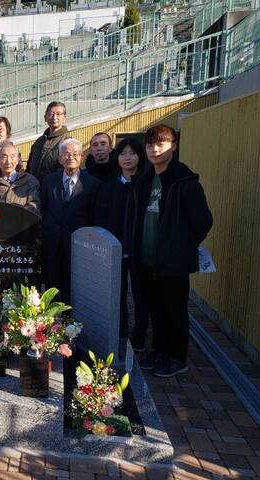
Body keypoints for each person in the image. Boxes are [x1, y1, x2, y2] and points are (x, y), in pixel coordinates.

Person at [127, 124, 212, 378]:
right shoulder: (144, 180)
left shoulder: (184, 183)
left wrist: (181, 246)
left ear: (173, 146)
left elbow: (203, 223)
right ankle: (160, 352)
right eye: (150, 145)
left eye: (160, 144)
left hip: (172, 261)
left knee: (174, 310)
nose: (154, 150)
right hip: (146, 259)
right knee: (156, 309)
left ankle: (177, 357)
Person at [95, 137, 148, 349]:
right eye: (123, 154)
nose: (127, 158)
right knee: (117, 291)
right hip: (115, 247)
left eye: (132, 153)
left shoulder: (146, 185)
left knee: (140, 292)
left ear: (139, 156)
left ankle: (140, 335)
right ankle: (121, 329)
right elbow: (100, 216)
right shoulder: (109, 186)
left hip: (140, 249)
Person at [41, 138, 101, 303]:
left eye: (75, 154)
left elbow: (94, 216)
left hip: (79, 245)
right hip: (52, 244)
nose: (70, 157)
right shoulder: (48, 181)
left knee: (75, 289)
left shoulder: (93, 184)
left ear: (82, 158)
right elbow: (44, 209)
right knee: (51, 290)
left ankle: (72, 325)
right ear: (60, 158)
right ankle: (51, 326)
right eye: (66, 154)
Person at [0, 143, 40, 215]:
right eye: (4, 157)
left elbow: (34, 206)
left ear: (18, 160)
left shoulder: (30, 181)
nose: (8, 162)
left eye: (12, 157)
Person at [27, 101, 69, 182]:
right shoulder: (39, 142)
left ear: (64, 118)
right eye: (51, 113)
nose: (54, 117)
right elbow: (29, 167)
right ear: (45, 117)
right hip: (35, 189)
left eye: (58, 114)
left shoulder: (67, 142)